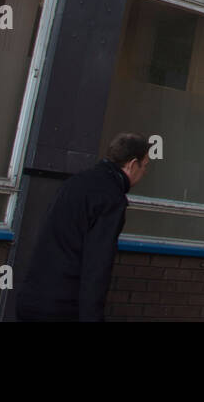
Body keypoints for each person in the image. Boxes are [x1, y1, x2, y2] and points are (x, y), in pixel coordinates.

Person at [16, 133, 151, 322]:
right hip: (63, 306)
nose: (144, 172)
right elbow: (97, 265)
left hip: (33, 296)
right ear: (132, 163)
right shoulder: (111, 198)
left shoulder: (75, 182)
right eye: (145, 166)